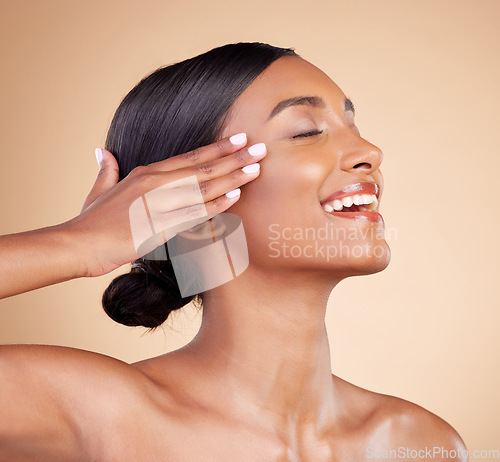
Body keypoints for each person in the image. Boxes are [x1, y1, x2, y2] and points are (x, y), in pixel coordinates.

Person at [0, 42, 468, 461]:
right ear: (191, 204)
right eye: (306, 130)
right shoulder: (92, 415)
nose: (370, 151)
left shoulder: (422, 445)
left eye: (352, 124)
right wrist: (78, 244)